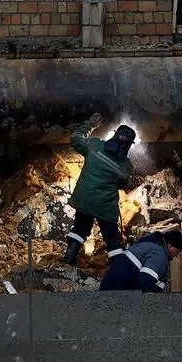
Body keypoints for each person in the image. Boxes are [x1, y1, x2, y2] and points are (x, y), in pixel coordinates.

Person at [63, 113, 135, 266]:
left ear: (115, 135)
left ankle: (69, 258)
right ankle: (117, 268)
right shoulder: (125, 165)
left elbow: (75, 139)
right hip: (104, 205)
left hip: (84, 198)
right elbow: (123, 184)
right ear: (129, 145)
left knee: (80, 228)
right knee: (112, 238)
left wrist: (90, 125)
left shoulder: (95, 145)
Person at [99, 229, 182, 293]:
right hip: (118, 291)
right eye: (177, 251)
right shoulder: (160, 254)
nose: (176, 255)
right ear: (170, 245)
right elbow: (146, 279)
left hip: (109, 287)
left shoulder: (148, 246)